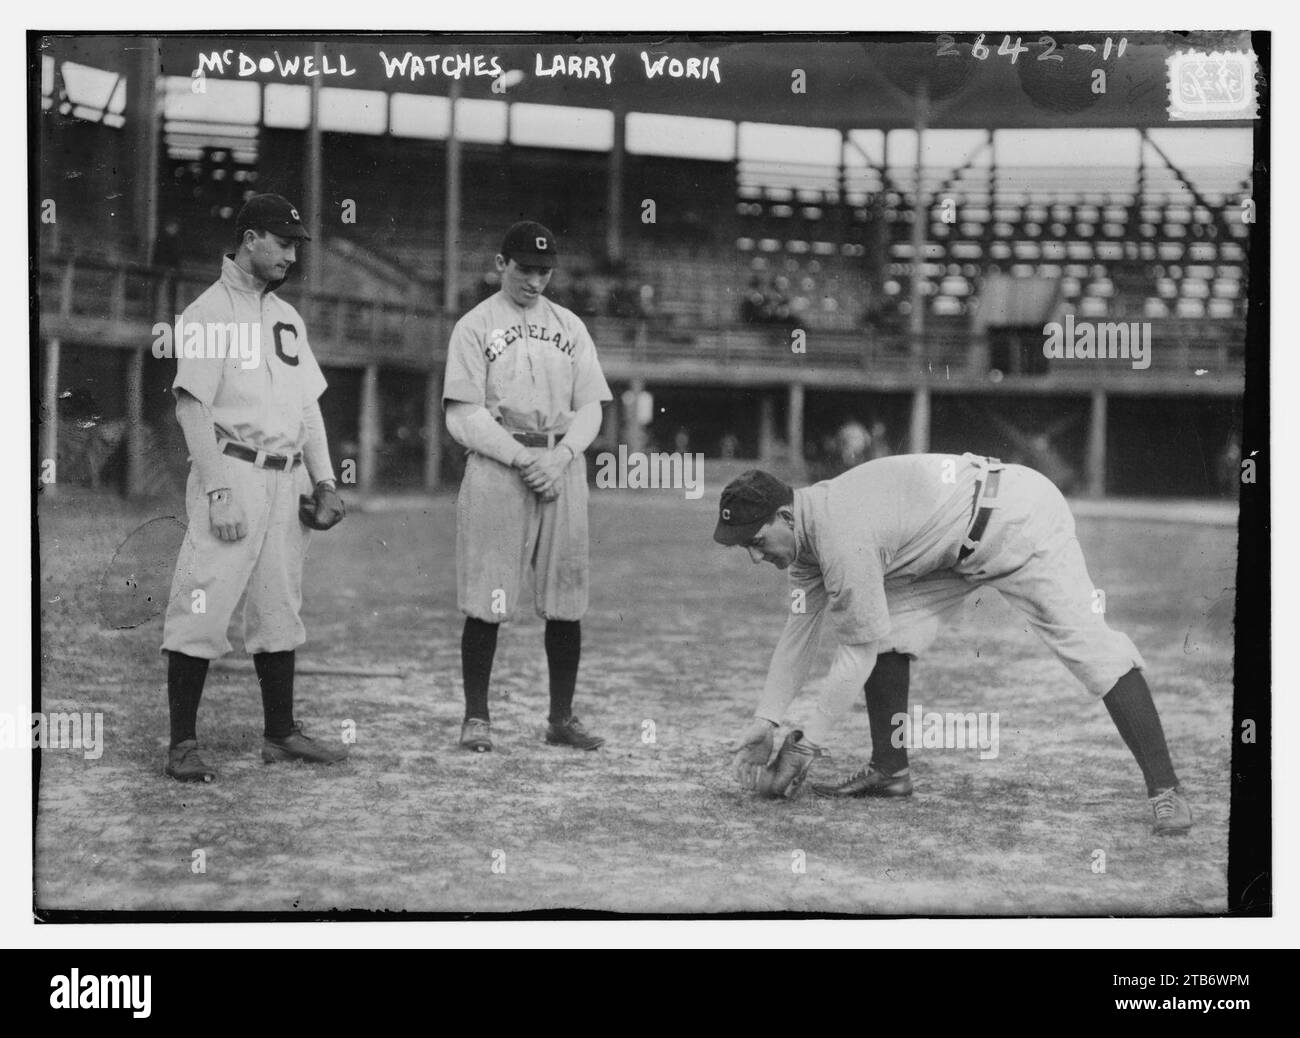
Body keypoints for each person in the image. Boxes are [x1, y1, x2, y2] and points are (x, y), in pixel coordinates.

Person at [715, 456, 1193, 836]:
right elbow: (798, 633)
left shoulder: (841, 535)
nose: (757, 557)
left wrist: (807, 747)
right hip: (947, 547)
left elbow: (855, 653)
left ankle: (1165, 789)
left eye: (757, 542)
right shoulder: (804, 537)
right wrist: (767, 720)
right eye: (745, 549)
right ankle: (890, 771)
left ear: (783, 515)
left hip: (1015, 519)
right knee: (890, 629)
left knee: (1091, 650)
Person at [160, 193, 348, 782]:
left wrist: (325, 479)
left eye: (296, 245)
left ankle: (281, 734)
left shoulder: (287, 318)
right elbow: (193, 409)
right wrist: (216, 491)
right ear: (249, 239)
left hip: (287, 476)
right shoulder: (207, 313)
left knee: (278, 605)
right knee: (203, 598)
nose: (292, 254)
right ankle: (182, 744)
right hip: (233, 467)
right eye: (283, 242)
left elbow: (308, 409)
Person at [442, 220, 613, 753]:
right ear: (501, 265)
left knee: (566, 594)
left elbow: (591, 408)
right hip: (499, 462)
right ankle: (477, 718)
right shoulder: (474, 326)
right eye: (524, 269)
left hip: (561, 461)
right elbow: (464, 413)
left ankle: (560, 719)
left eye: (544, 271)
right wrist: (522, 457)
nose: (535, 280)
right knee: (487, 595)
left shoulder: (570, 325)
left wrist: (561, 455)